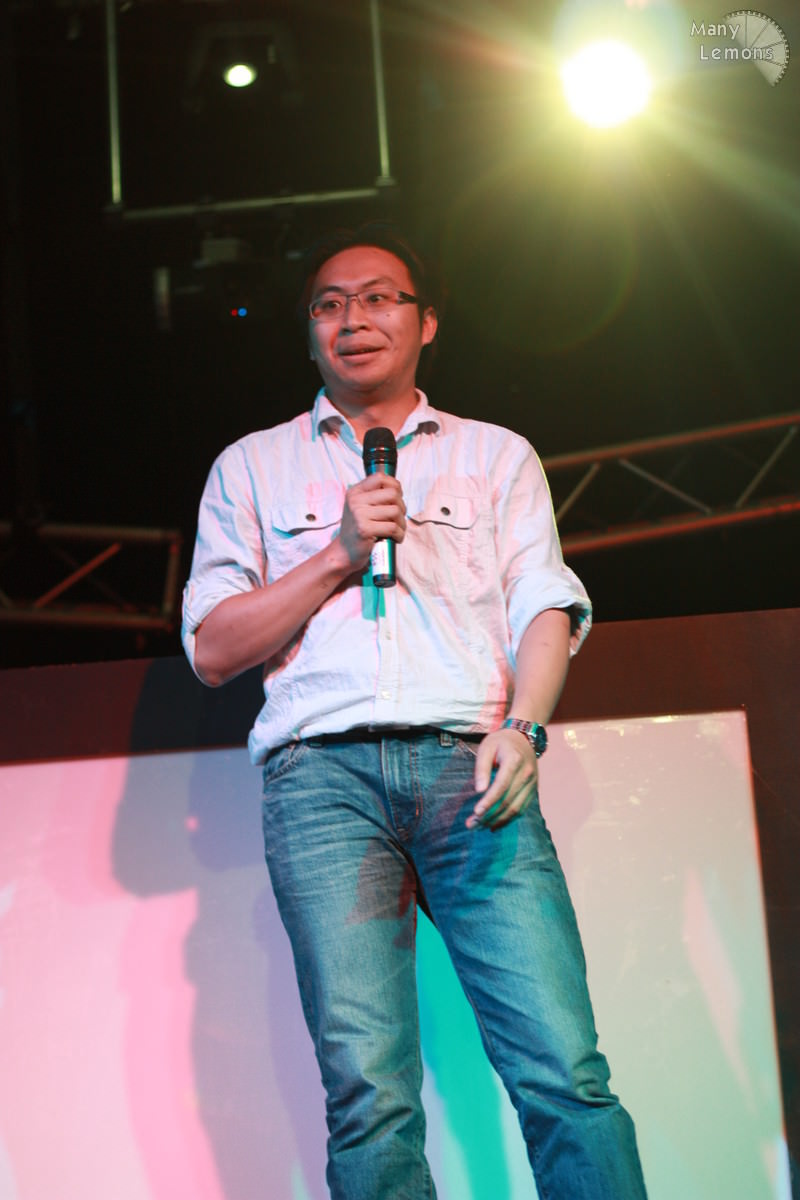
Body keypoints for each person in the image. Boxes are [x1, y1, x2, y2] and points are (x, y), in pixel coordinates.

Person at [181, 224, 648, 1200]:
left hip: (467, 767)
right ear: (310, 334)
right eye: (328, 304)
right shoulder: (251, 467)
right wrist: (337, 554)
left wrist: (524, 728)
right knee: (369, 1097)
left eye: (378, 297)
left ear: (426, 322)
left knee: (563, 1071)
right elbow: (213, 648)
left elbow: (543, 605)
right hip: (322, 786)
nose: (353, 319)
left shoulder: (494, 455)